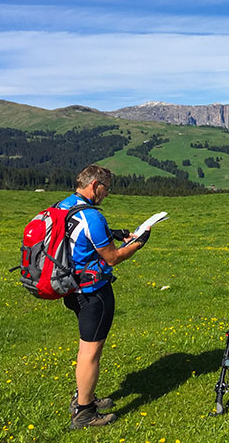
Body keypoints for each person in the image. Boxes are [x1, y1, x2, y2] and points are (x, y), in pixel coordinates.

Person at [60, 164, 151, 430]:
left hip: (70, 287)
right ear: (94, 185)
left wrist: (117, 233)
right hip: (93, 292)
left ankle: (82, 395)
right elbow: (112, 257)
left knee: (84, 347)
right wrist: (137, 243)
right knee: (91, 351)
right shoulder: (92, 216)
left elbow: (79, 239)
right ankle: (84, 412)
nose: (106, 194)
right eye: (106, 188)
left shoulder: (65, 206)